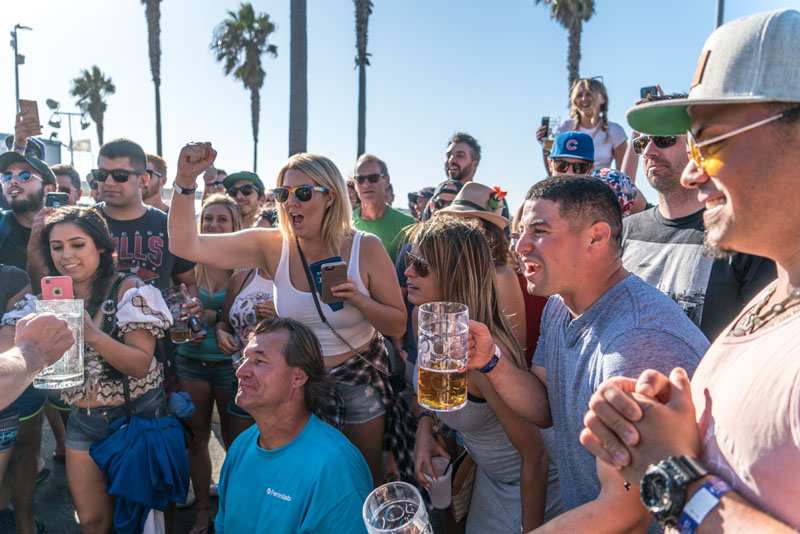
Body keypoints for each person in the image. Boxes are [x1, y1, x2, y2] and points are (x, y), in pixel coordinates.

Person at [580, 9, 800, 531]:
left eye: (712, 140)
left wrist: (677, 481)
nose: (693, 169)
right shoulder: (775, 291)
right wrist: (665, 426)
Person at [465, 176, 708, 532]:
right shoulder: (559, 305)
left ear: (596, 236)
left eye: (539, 231)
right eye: (519, 233)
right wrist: (491, 361)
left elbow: (632, 510)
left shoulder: (636, 344)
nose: (520, 246)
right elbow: (547, 407)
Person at [168, 144, 408, 486]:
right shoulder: (272, 245)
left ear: (330, 197)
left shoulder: (363, 247)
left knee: (359, 481)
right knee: (297, 480)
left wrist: (359, 299)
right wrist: (185, 181)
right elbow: (185, 245)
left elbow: (397, 323)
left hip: (357, 382)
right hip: (297, 384)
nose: (291, 203)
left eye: (303, 193)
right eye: (283, 193)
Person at [408, 216, 556, 533]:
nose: (407, 272)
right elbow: (427, 394)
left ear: (454, 276)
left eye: (421, 265)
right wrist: (425, 428)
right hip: (485, 474)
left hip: (525, 485)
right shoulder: (424, 318)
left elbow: (537, 456)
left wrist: (532, 530)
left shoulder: (481, 355)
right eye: (410, 261)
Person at [38, 206, 172, 534]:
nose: (66, 255)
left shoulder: (130, 290)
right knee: (92, 521)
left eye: (77, 244)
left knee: (137, 522)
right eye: (57, 247)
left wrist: (92, 334)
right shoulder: (54, 297)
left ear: (100, 246)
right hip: (82, 421)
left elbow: (140, 365)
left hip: (134, 418)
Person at [620, 93, 775, 340]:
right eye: (641, 143)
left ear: (697, 147)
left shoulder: (736, 232)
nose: (648, 151)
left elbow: (762, 339)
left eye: (663, 139)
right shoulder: (625, 231)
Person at [215, 318, 372, 533]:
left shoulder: (335, 467)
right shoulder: (241, 447)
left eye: (259, 361)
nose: (241, 371)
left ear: (298, 377)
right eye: (244, 359)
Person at [174, 194, 242, 534]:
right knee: (197, 440)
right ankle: (202, 510)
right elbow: (175, 318)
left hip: (233, 366)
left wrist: (213, 317)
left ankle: (232, 509)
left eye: (221, 220)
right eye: (208, 219)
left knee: (236, 443)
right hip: (191, 364)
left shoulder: (244, 268)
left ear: (234, 227)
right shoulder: (187, 267)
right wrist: (187, 328)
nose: (214, 225)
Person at [437, 182, 529, 353]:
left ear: (486, 231)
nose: (453, 230)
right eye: (451, 221)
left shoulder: (501, 276)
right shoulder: (441, 269)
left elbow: (516, 346)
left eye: (465, 223)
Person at [538, 77, 628, 172]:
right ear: (574, 101)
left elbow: (624, 174)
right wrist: (544, 146)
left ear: (603, 99)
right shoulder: (564, 129)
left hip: (601, 185)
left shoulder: (615, 131)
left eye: (589, 94)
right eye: (579, 95)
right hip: (570, 184)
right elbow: (553, 170)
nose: (584, 99)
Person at [549, 131, 647, 216]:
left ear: (591, 168)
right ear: (550, 164)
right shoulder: (541, 201)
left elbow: (626, 183)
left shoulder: (611, 186)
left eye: (579, 168)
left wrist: (636, 134)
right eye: (561, 165)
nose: (569, 173)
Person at [352, 154, 415, 263]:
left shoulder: (408, 225)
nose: (366, 184)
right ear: (355, 184)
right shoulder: (344, 223)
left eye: (373, 178)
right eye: (360, 179)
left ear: (386, 180)